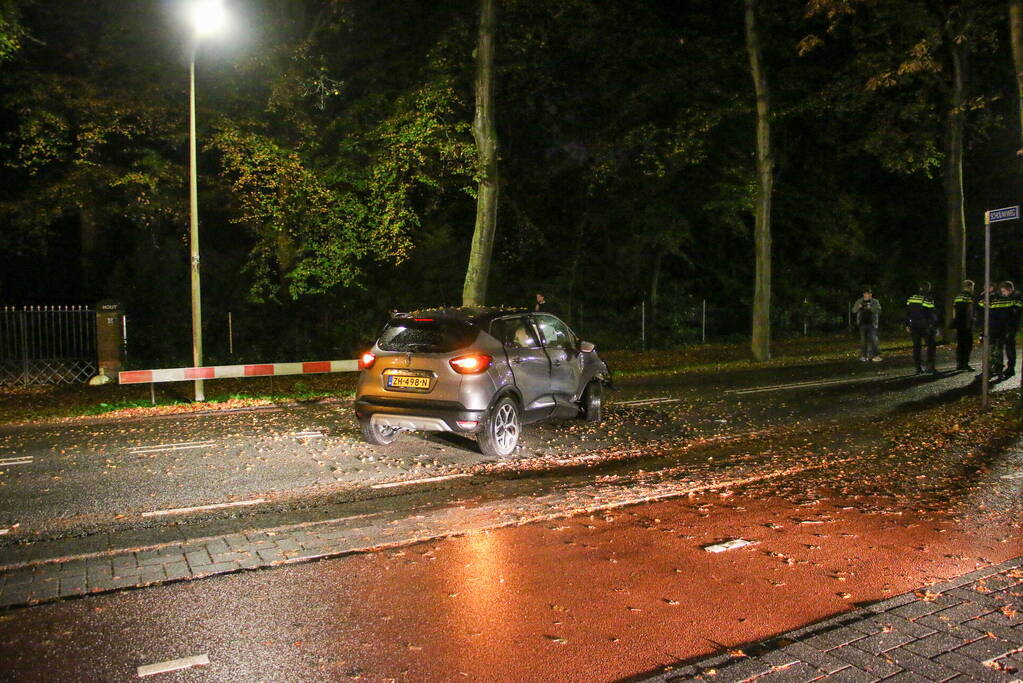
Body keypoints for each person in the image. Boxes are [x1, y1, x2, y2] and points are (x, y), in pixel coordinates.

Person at [986, 281, 1021, 380]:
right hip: (1004, 327)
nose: (1003, 293)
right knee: (1001, 348)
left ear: (1010, 290)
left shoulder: (1017, 297)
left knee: (1010, 348)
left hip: (1011, 327)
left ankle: (1011, 368)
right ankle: (1000, 368)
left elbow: (1015, 311)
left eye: (1004, 291)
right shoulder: (1008, 298)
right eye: (1002, 291)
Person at [905, 282, 938, 374]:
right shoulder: (927, 298)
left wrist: (907, 324)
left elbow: (907, 312)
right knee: (931, 344)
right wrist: (935, 326)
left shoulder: (911, 298)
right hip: (925, 325)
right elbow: (931, 314)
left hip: (913, 325)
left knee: (916, 346)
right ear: (928, 288)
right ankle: (930, 367)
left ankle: (918, 368)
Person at [851, 288, 882, 362]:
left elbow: (879, 310)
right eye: (864, 293)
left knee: (874, 340)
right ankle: (864, 356)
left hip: (872, 324)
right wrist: (858, 307)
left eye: (867, 293)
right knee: (863, 341)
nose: (866, 295)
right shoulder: (859, 301)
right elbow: (853, 310)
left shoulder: (875, 301)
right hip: (862, 324)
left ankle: (876, 356)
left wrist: (870, 308)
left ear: (870, 294)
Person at [952, 279, 975, 371]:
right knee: (968, 344)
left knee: (960, 344)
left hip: (958, 323)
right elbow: (970, 309)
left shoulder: (958, 296)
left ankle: (959, 364)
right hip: (966, 323)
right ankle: (965, 364)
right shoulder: (969, 296)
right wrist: (971, 320)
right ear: (970, 287)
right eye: (972, 287)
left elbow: (953, 308)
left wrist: (955, 321)